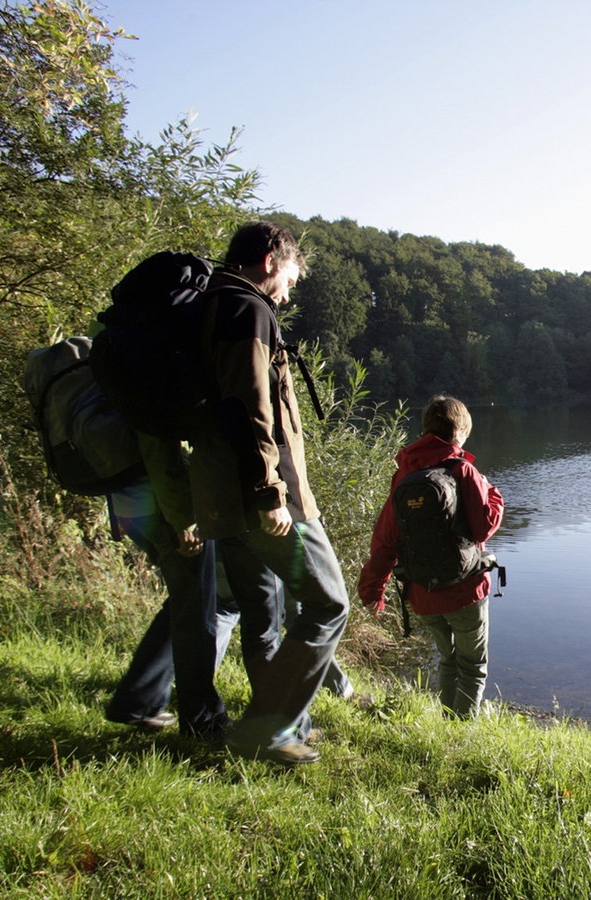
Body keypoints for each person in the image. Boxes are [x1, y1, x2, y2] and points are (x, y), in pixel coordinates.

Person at [186, 221, 350, 766]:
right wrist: (270, 492)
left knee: (264, 616)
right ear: (267, 261)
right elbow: (251, 408)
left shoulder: (211, 306)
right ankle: (268, 729)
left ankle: (283, 725)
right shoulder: (246, 310)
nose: (287, 292)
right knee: (329, 602)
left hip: (220, 497)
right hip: (259, 497)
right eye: (289, 279)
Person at [357, 395, 504, 719]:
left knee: (447, 659)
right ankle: (461, 729)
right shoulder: (462, 470)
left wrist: (373, 590)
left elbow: (385, 540)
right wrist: (495, 496)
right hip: (464, 590)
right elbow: (483, 529)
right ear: (461, 431)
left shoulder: (405, 475)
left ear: (425, 429)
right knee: (472, 663)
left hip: (422, 593)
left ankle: (448, 719)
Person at [102, 436, 232, 739]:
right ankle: (202, 721)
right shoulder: (151, 388)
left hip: (133, 504)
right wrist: (184, 520)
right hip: (166, 508)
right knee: (196, 610)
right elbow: (159, 446)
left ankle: (138, 700)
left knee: (186, 602)